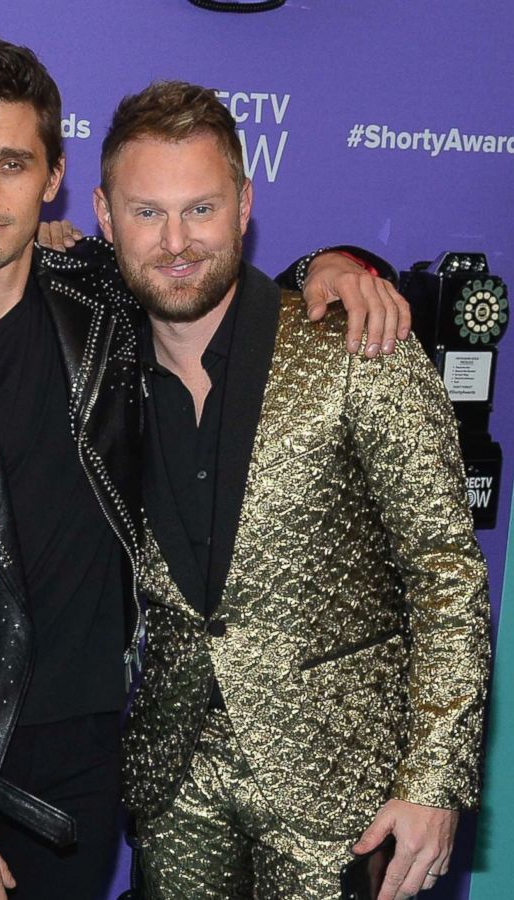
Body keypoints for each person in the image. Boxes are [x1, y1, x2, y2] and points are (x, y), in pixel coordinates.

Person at [0, 33, 412, 900]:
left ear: (53, 177)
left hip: (89, 769)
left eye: (12, 164)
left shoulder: (104, 311)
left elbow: (203, 284)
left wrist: (329, 266)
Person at [96, 80, 490, 900]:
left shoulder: (356, 346)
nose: (175, 241)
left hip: (344, 789)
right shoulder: (94, 368)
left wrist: (434, 781)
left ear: (244, 205)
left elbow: (445, 569)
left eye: (201, 209)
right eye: (147, 213)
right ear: (105, 216)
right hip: (174, 782)